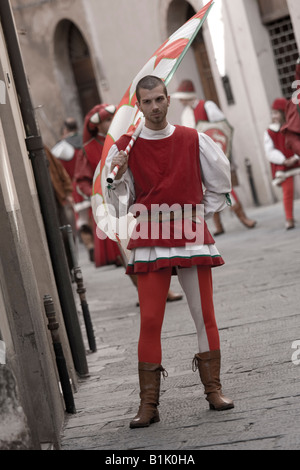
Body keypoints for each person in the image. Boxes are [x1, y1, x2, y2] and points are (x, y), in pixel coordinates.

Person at [105, 75, 234, 429]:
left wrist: (195, 213)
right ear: (139, 105)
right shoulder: (126, 147)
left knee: (203, 313)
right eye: (147, 102)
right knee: (149, 320)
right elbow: (118, 203)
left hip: (191, 231)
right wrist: (116, 173)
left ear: (168, 99)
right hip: (149, 234)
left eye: (160, 99)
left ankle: (214, 391)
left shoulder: (194, 139)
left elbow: (220, 185)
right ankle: (148, 405)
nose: (155, 107)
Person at [172, 79, 256, 236]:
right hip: (197, 156)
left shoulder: (207, 106)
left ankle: (242, 216)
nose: (181, 100)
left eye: (182, 97)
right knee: (206, 189)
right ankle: (218, 225)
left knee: (223, 185)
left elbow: (221, 129)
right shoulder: (186, 114)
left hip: (214, 153)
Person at [74, 103, 124, 266]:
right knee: (123, 249)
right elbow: (82, 179)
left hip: (128, 195)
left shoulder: (123, 138)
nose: (112, 122)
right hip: (107, 201)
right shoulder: (88, 149)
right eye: (108, 119)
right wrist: (96, 194)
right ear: (98, 124)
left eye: (112, 118)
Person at [264, 98, 300, 230]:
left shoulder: (293, 126)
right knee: (288, 192)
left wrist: (295, 157)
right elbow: (269, 151)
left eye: (276, 113)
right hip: (283, 164)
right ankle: (289, 218)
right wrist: (283, 160)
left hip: (297, 160)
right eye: (272, 113)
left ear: (284, 113)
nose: (274, 116)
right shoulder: (269, 131)